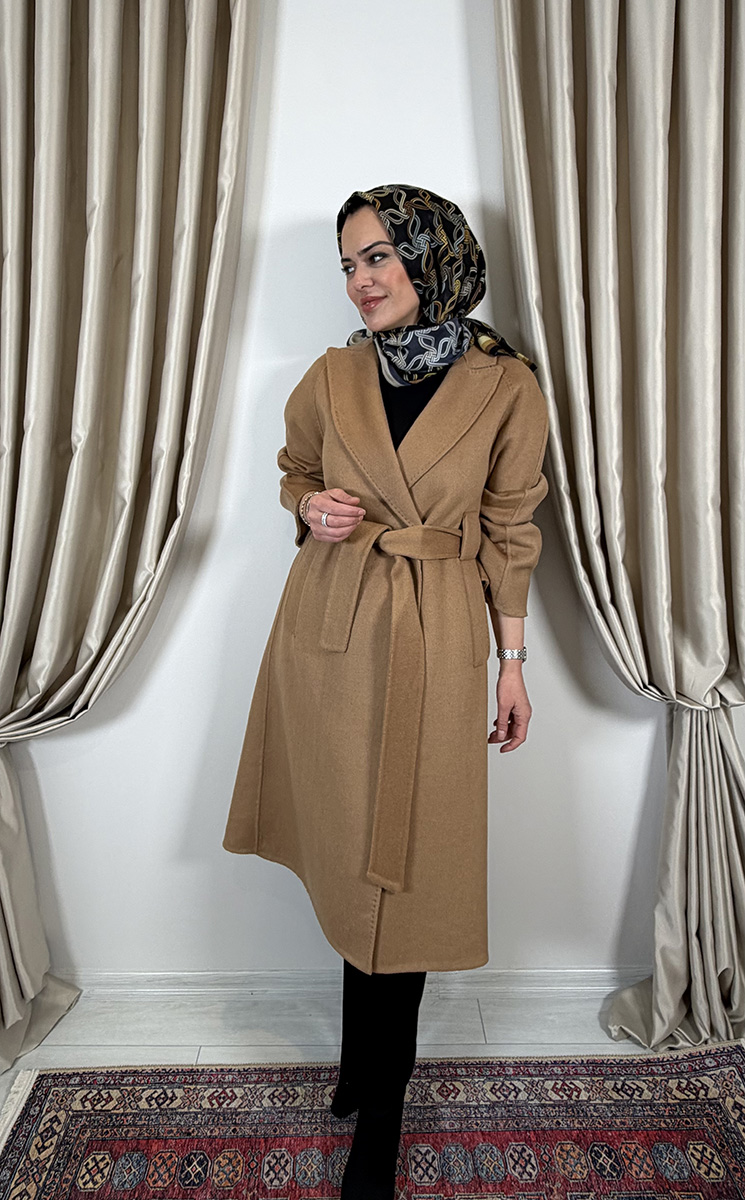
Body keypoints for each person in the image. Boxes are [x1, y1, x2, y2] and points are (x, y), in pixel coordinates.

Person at [222, 184, 550, 1198]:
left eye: (377, 256)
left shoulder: (506, 387)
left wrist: (511, 664)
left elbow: (511, 529)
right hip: (329, 632)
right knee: (347, 854)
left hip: (436, 636)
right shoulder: (331, 376)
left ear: (429, 254)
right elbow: (293, 469)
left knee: (403, 872)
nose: (361, 280)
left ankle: (384, 1109)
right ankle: (358, 1065)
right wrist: (308, 505)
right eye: (348, 264)